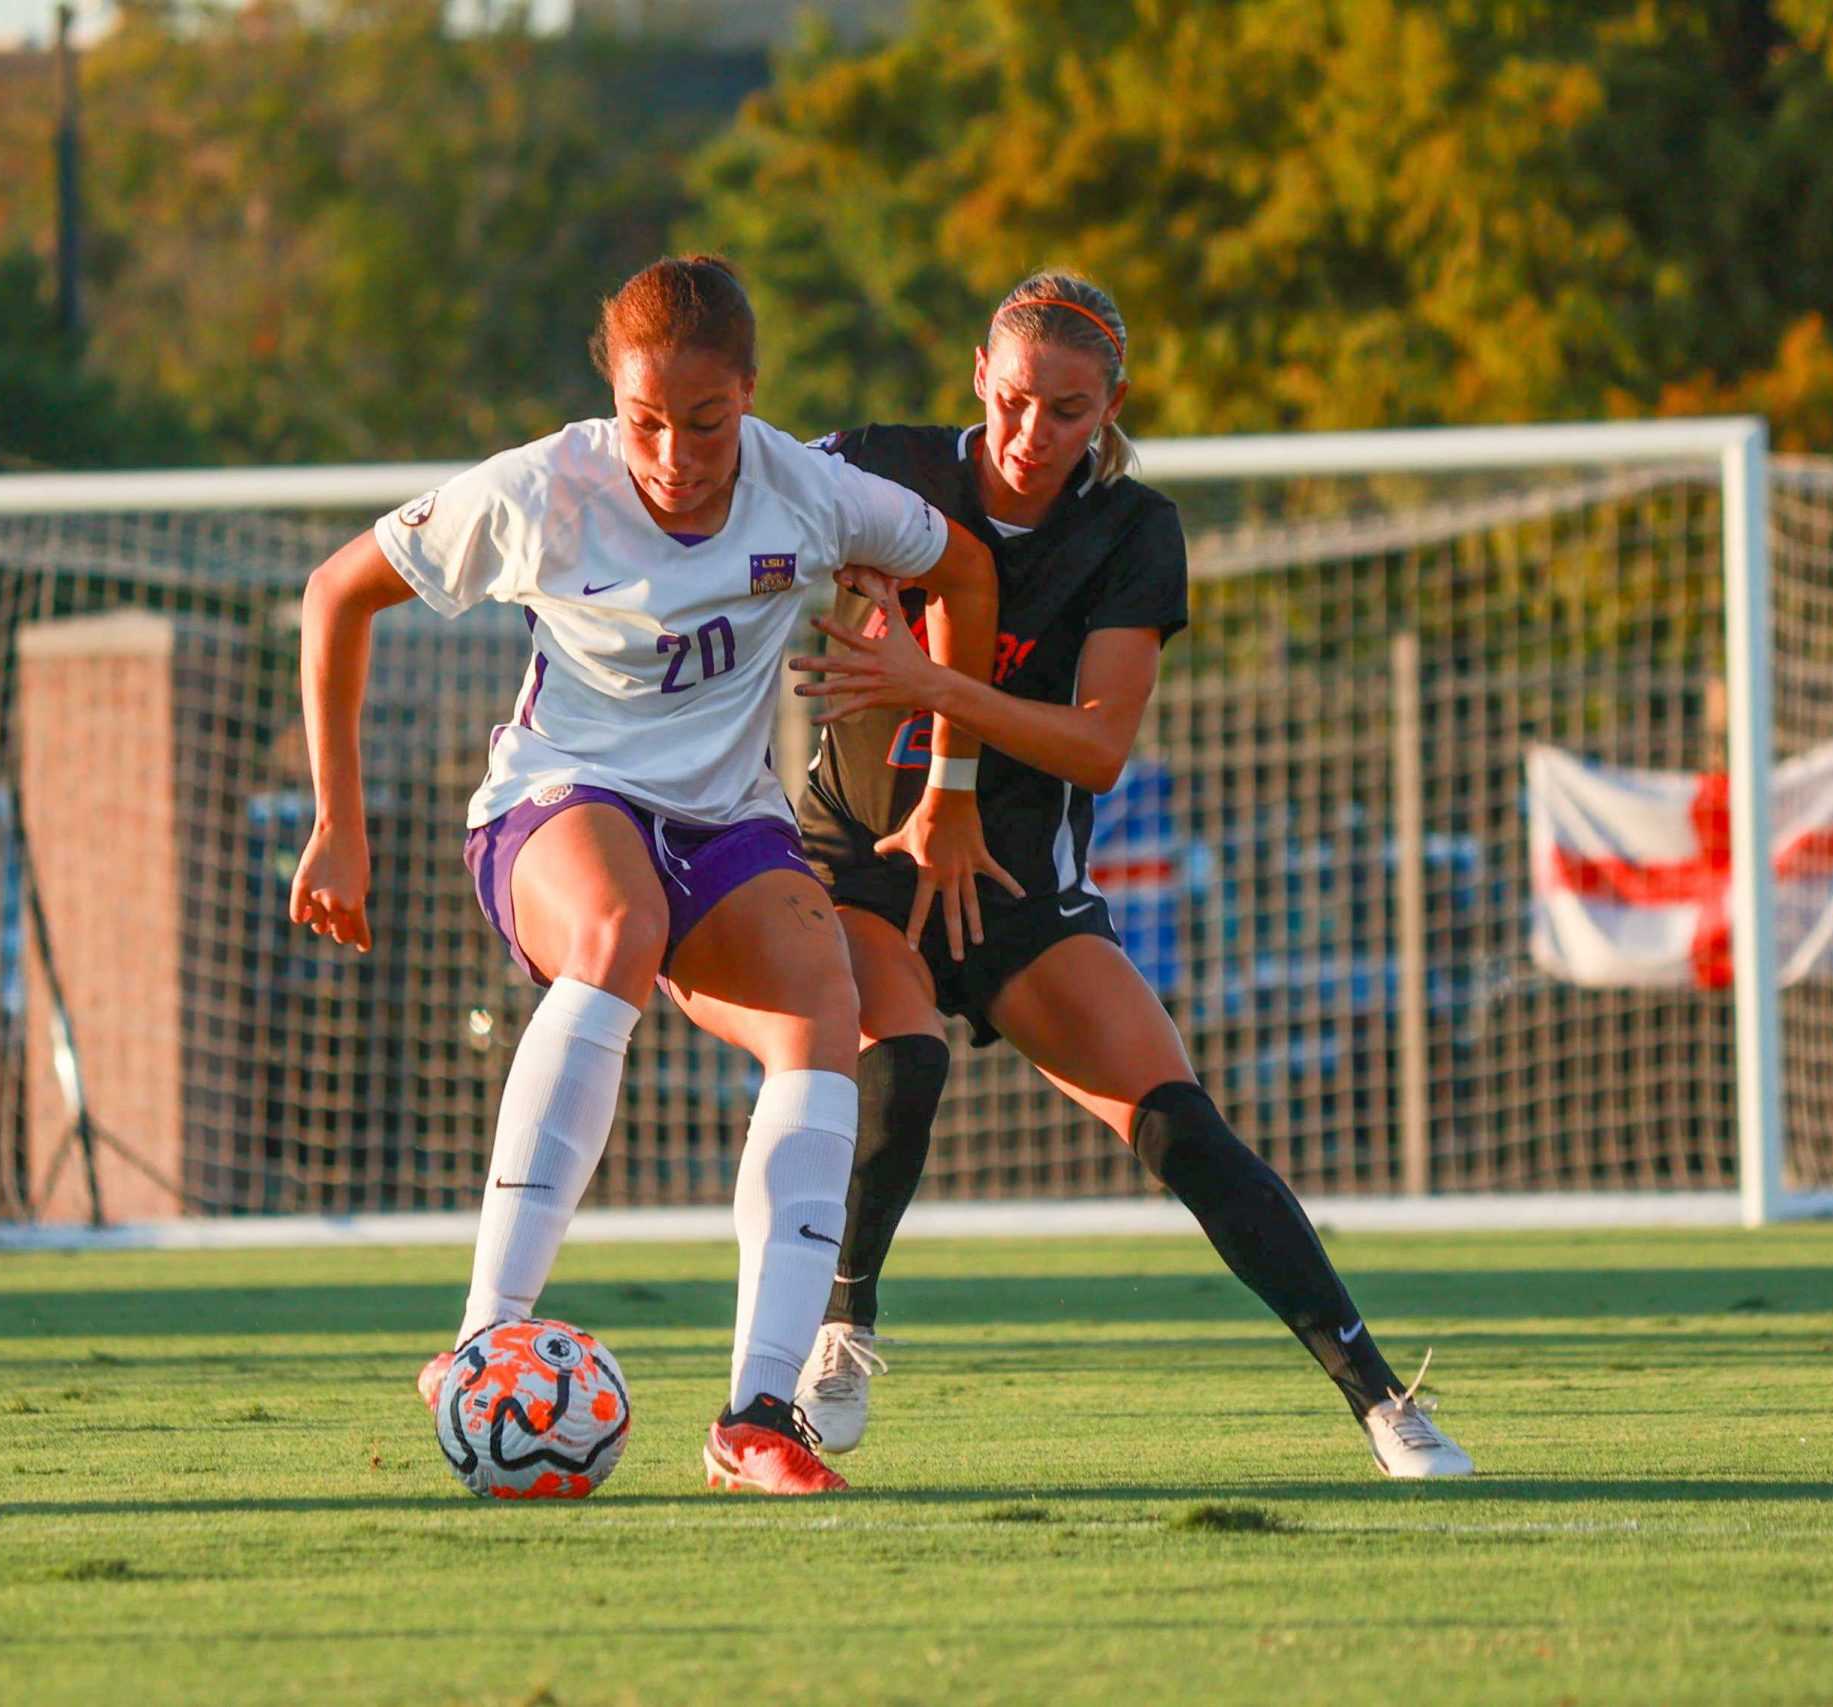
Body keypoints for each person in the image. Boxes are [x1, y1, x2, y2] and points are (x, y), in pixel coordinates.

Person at [290, 255, 1001, 1497]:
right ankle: (481, 1336)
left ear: (753, 397)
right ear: (612, 399)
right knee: (617, 924)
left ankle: (757, 1419)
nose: (673, 452)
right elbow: (334, 594)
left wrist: (949, 773)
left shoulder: (812, 492)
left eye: (706, 421)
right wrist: (337, 826)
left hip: (726, 821)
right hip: (558, 800)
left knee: (825, 1007)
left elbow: (968, 574)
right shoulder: (541, 489)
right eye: (645, 421)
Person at [786, 269, 1473, 1479]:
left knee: (1182, 1130)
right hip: (860, 860)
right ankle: (840, 1329)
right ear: (977, 383)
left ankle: (1378, 1398)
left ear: (1111, 405)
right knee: (903, 1054)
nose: (1029, 433)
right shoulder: (877, 464)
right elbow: (730, 512)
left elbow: (1097, 747)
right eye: (1010, 402)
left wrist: (932, 689)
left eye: (1065, 409)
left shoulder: (1130, 530)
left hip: (1012, 882)